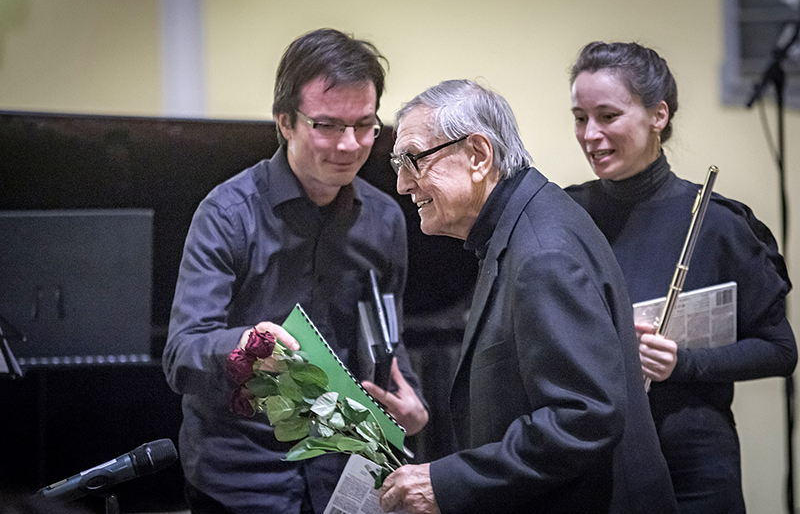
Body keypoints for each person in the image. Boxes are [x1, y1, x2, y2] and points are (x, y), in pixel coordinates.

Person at [378, 79, 677, 514]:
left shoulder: (541, 251)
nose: (403, 184)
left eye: (413, 160)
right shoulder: (522, 227)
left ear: (478, 155)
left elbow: (584, 416)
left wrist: (448, 481)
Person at [163, 28, 429, 514]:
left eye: (365, 125)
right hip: (242, 478)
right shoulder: (227, 213)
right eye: (327, 125)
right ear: (285, 121)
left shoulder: (386, 218)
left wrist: (409, 400)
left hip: (347, 471)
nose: (349, 145)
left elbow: (388, 333)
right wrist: (247, 347)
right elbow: (182, 353)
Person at [565, 40, 797, 513]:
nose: (590, 133)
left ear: (658, 116)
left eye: (607, 116)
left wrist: (682, 364)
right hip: (599, 461)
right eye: (579, 117)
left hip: (694, 470)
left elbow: (779, 351)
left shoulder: (719, 224)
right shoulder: (566, 215)